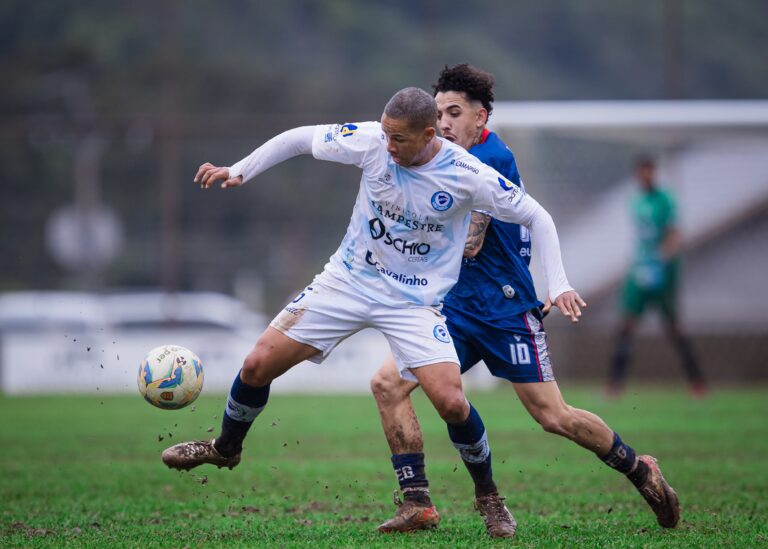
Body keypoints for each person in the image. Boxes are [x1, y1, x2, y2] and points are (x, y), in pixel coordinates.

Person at [160, 86, 586, 536]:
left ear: (428, 135)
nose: (388, 145)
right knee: (257, 364)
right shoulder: (372, 141)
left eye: (398, 138)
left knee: (451, 402)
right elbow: (300, 138)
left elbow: (538, 217)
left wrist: (557, 283)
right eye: (385, 134)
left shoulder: (467, 173)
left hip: (414, 303)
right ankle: (226, 447)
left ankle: (489, 498)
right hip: (347, 283)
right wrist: (241, 169)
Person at [369, 65, 681, 537]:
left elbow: (470, 243)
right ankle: (424, 501)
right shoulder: (437, 158)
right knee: (388, 384)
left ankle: (639, 469)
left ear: (480, 118)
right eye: (439, 114)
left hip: (505, 308)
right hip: (454, 308)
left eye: (455, 113)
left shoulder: (489, 158)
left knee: (553, 416)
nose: (445, 123)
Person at [608, 155, 707, 397]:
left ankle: (696, 382)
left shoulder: (666, 200)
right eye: (642, 172)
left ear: (654, 172)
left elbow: (674, 234)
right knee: (626, 325)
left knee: (673, 327)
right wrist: (641, 263)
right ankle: (615, 385)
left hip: (663, 272)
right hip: (639, 271)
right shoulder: (635, 201)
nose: (646, 176)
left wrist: (660, 259)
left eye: (649, 171)